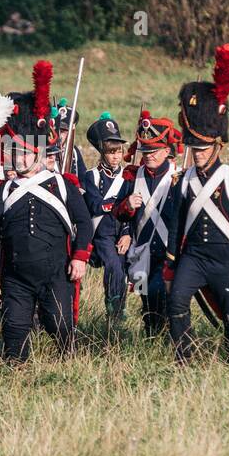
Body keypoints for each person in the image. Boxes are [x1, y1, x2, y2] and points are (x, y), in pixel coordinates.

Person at [0, 61, 93, 365]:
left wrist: (80, 257)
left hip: (56, 272)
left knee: (59, 325)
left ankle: (68, 365)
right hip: (15, 276)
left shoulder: (62, 185)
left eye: (23, 152)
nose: (18, 158)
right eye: (14, 152)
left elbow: (84, 223)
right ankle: (16, 376)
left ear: (37, 151)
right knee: (14, 330)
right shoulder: (4, 191)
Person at [163, 47, 229, 364]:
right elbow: (176, 223)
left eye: (203, 146)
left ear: (217, 144)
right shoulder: (182, 179)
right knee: (176, 301)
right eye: (193, 146)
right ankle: (184, 358)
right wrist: (171, 261)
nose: (198, 152)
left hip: (226, 258)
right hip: (194, 257)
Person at [112, 111, 182, 337]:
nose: (148, 155)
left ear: (166, 150)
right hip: (140, 253)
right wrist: (128, 205)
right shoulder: (133, 176)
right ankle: (153, 335)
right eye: (145, 151)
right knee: (145, 299)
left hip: (167, 251)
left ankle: (169, 334)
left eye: (153, 151)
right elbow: (118, 213)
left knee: (159, 293)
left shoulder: (177, 178)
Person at [83, 112, 131, 333]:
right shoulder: (91, 176)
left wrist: (127, 233)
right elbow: (94, 205)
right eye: (111, 151)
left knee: (125, 269)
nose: (116, 156)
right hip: (101, 233)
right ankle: (113, 309)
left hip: (120, 232)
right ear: (102, 152)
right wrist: (118, 204)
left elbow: (132, 213)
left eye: (119, 151)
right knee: (113, 265)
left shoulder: (127, 178)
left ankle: (122, 307)